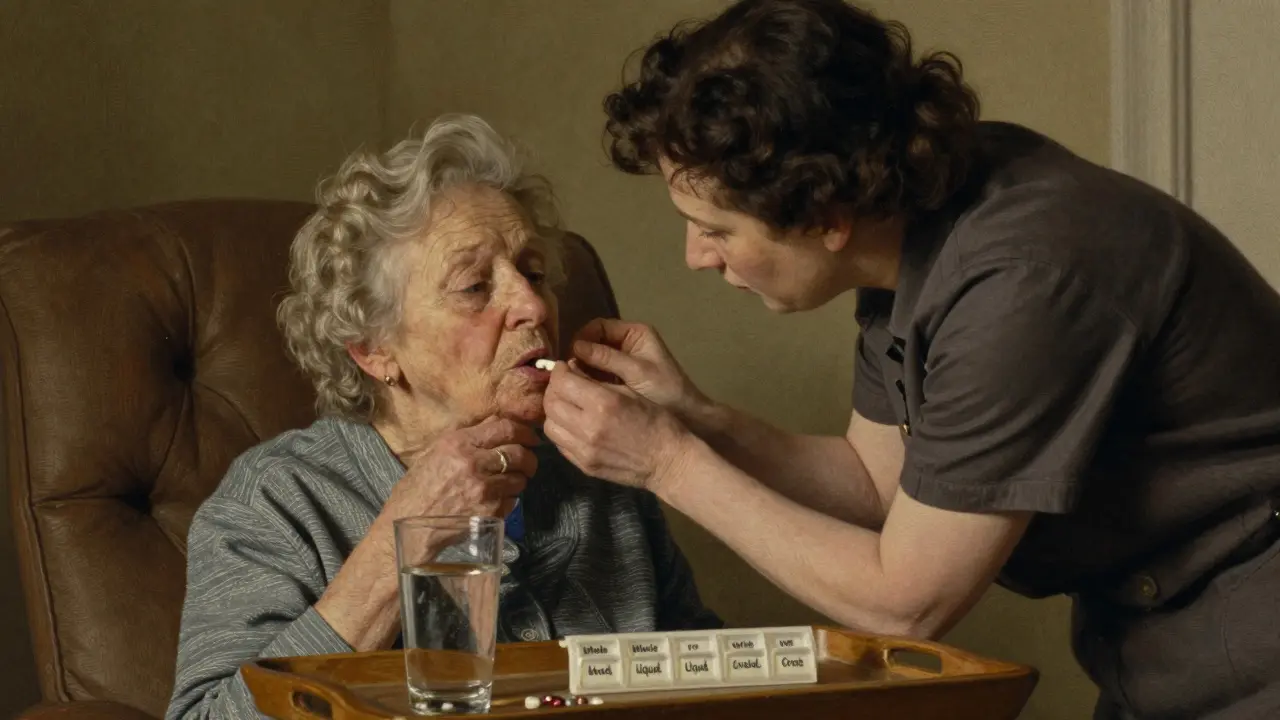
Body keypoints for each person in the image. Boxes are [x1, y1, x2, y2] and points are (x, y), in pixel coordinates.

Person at [540, 1, 1280, 718]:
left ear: (826, 216)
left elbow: (907, 603)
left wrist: (668, 464)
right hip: (1159, 653)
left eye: (716, 230)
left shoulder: (1021, 279)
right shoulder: (908, 221)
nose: (696, 256)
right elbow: (873, 485)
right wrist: (696, 420)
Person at [166, 115, 719, 720]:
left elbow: (715, 685)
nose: (532, 304)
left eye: (533, 274)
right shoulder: (276, 501)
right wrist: (401, 543)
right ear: (374, 348)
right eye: (474, 285)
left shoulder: (606, 473)